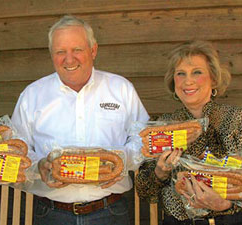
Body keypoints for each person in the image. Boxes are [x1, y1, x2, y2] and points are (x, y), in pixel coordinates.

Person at [11, 15, 149, 225]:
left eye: (77, 50)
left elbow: (143, 139)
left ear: (93, 50)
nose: (69, 59)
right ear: (52, 55)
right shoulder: (32, 95)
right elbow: (17, 150)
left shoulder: (120, 88)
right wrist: (39, 167)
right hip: (52, 214)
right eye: (60, 52)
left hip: (110, 211)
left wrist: (121, 160)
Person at [135, 40, 242, 225]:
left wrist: (225, 205)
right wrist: (160, 172)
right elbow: (145, 192)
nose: (188, 81)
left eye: (197, 72)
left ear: (214, 79)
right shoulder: (162, 126)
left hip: (229, 219)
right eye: (180, 74)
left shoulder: (236, 119)